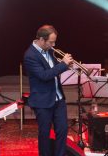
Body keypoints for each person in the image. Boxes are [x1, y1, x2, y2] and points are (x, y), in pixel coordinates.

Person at [23, 25, 73, 156]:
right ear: (41, 39)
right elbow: (44, 76)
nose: (53, 45)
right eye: (51, 42)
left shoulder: (49, 50)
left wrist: (67, 66)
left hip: (58, 98)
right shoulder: (30, 55)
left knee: (62, 131)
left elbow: (54, 69)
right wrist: (63, 65)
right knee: (44, 134)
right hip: (42, 101)